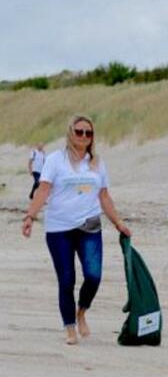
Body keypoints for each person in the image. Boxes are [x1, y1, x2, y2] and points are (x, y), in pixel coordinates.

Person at [21, 115, 131, 345]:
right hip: (59, 228)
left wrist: (118, 223)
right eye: (79, 131)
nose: (83, 136)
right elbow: (43, 189)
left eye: (88, 133)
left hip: (89, 226)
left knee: (93, 275)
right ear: (70, 133)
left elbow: (104, 196)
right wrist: (31, 215)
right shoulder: (55, 160)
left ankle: (81, 312)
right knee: (66, 279)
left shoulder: (97, 162)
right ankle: (69, 326)